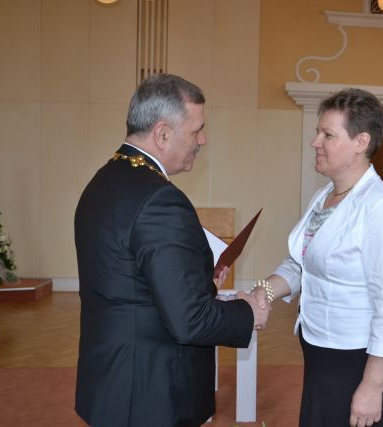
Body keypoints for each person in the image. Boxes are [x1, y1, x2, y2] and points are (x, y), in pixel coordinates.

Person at [74, 74, 269, 427]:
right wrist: (248, 312)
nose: (202, 140)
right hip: (149, 390)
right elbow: (189, 320)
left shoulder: (103, 181)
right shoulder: (160, 200)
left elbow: (129, 278)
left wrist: (199, 279)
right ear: (163, 133)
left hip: (112, 378)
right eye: (197, 130)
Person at [249, 88, 383, 427]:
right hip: (321, 346)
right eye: (317, 132)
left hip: (359, 356)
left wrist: (372, 386)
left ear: (361, 142)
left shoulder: (381, 207)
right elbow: (301, 263)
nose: (315, 142)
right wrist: (263, 291)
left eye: (328, 134)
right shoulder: (325, 196)